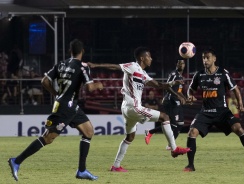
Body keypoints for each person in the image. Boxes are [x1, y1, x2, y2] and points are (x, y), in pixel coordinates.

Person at [8, 39, 103, 181]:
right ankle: (17, 161)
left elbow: (44, 81)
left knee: (88, 132)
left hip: (70, 106)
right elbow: (90, 88)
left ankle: (81, 171)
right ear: (82, 51)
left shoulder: (61, 64)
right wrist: (99, 85)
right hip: (66, 108)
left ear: (70, 51)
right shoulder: (82, 67)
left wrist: (56, 94)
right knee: (48, 138)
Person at [88, 47, 191, 172]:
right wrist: (95, 65)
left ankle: (115, 166)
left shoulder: (143, 74)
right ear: (142, 58)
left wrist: (172, 84)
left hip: (128, 109)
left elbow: (159, 85)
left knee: (129, 137)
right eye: (149, 56)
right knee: (165, 117)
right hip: (133, 107)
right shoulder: (132, 66)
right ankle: (174, 149)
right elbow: (115, 67)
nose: (151, 59)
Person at [184, 48, 244, 172]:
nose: (205, 60)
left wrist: (240, 103)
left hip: (222, 111)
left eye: (207, 57)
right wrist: (189, 96)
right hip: (206, 112)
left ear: (214, 59)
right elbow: (190, 89)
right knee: (192, 132)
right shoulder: (199, 74)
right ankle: (190, 165)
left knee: (238, 128)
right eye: (203, 58)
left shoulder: (223, 73)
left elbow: (235, 88)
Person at [145, 59, 189, 150]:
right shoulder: (173, 74)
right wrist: (177, 96)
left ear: (184, 65)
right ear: (176, 65)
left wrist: (185, 98)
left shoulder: (181, 77)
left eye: (182, 63)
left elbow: (179, 91)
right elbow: (167, 86)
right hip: (169, 101)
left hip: (176, 101)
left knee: (180, 124)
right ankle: (152, 133)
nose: (181, 65)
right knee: (173, 124)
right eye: (179, 63)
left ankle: (169, 144)